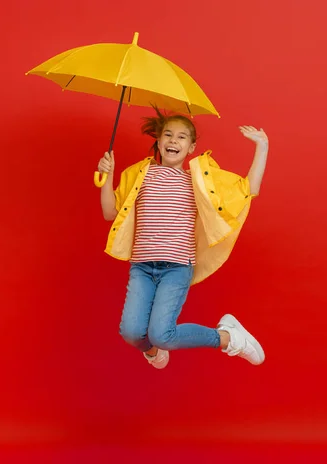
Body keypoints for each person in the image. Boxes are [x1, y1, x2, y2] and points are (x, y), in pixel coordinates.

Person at [97, 106, 269, 369]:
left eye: (181, 137)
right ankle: (154, 351)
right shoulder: (139, 175)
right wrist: (107, 177)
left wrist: (262, 146)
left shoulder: (197, 181)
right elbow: (110, 212)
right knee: (132, 333)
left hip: (177, 268)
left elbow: (249, 189)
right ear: (158, 140)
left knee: (162, 334)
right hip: (142, 267)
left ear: (191, 147)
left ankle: (228, 338)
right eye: (167, 135)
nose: (173, 141)